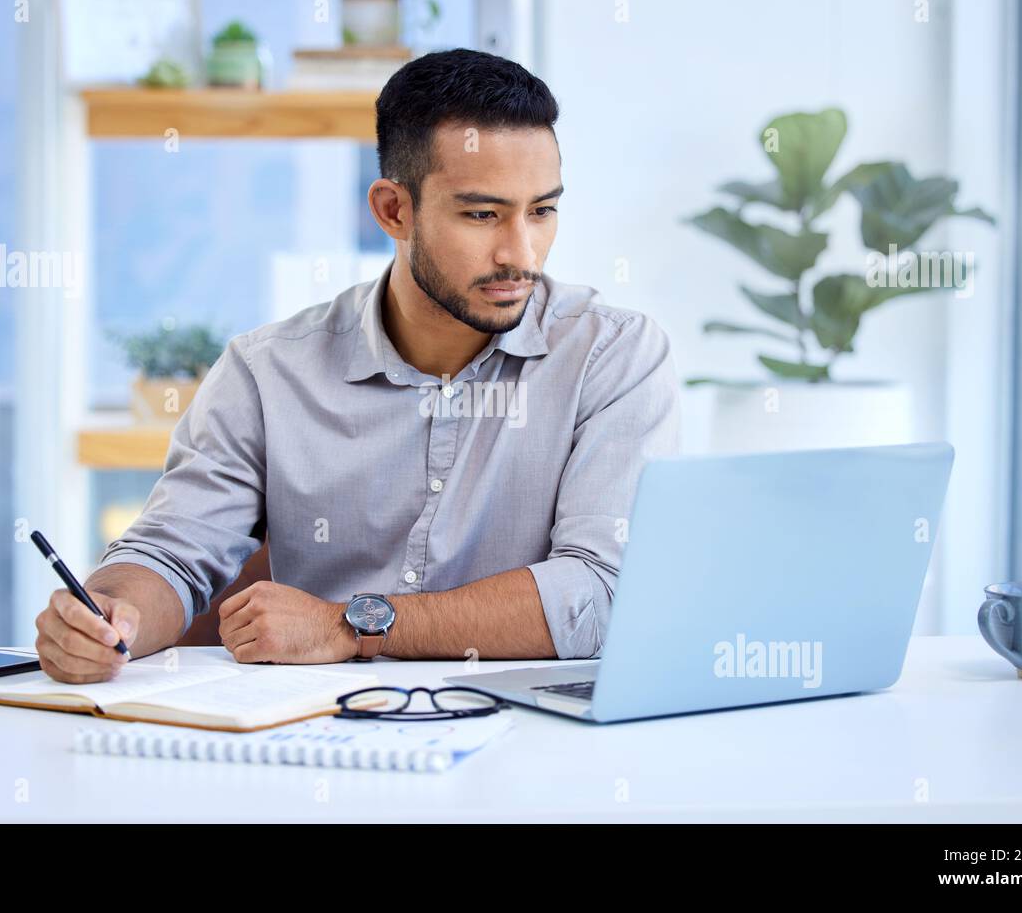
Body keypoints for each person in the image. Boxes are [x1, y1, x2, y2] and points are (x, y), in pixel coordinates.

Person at [34, 48, 679, 683]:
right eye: (482, 214)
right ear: (393, 210)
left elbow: (603, 591)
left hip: (536, 742)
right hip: (315, 739)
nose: (521, 253)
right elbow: (170, 554)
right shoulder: (267, 371)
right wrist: (111, 617)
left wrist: (352, 626)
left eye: (541, 210)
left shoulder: (612, 356)